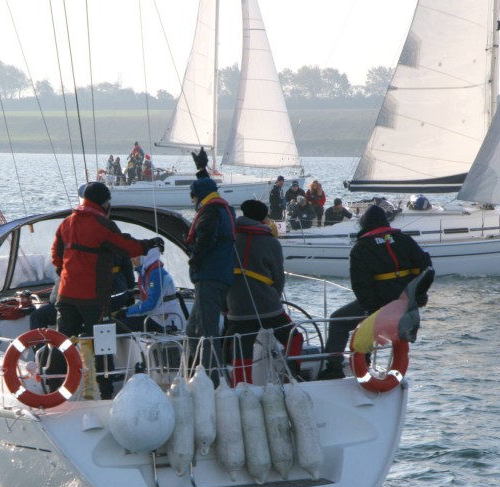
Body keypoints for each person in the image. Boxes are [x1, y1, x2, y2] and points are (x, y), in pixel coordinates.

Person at [51, 181, 164, 398]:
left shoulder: (66, 223)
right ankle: (105, 390)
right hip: (93, 298)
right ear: (104, 203)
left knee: (63, 340)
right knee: (102, 342)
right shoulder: (102, 224)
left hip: (65, 295)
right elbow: (126, 246)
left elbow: (56, 255)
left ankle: (53, 386)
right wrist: (149, 244)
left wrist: (64, 274)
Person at [318, 204, 433, 380]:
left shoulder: (361, 248)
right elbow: (428, 269)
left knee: (337, 320)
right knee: (365, 322)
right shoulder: (404, 240)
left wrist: (372, 310)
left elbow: (360, 285)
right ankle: (366, 363)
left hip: (380, 300)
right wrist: (419, 294)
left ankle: (333, 368)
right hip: (405, 302)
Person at [226, 200, 301, 382]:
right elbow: (278, 278)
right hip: (267, 306)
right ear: (263, 218)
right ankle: (289, 378)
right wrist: (274, 298)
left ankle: (241, 389)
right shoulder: (270, 241)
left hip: (236, 308)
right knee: (295, 338)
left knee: (241, 353)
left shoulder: (229, 237)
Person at [186, 148, 236, 386]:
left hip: (209, 276)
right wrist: (200, 170)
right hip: (217, 275)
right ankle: (196, 374)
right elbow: (208, 189)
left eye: (192, 197)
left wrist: (193, 258)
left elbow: (206, 239)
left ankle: (213, 382)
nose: (192, 201)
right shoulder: (220, 206)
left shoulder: (211, 213)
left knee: (206, 331)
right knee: (192, 329)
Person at [114, 247, 185, 332]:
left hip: (159, 320)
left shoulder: (156, 274)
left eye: (135, 256)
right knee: (116, 322)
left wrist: (126, 312)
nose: (131, 259)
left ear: (145, 256)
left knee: (113, 327)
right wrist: (125, 311)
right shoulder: (146, 273)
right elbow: (144, 302)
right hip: (153, 316)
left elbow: (151, 305)